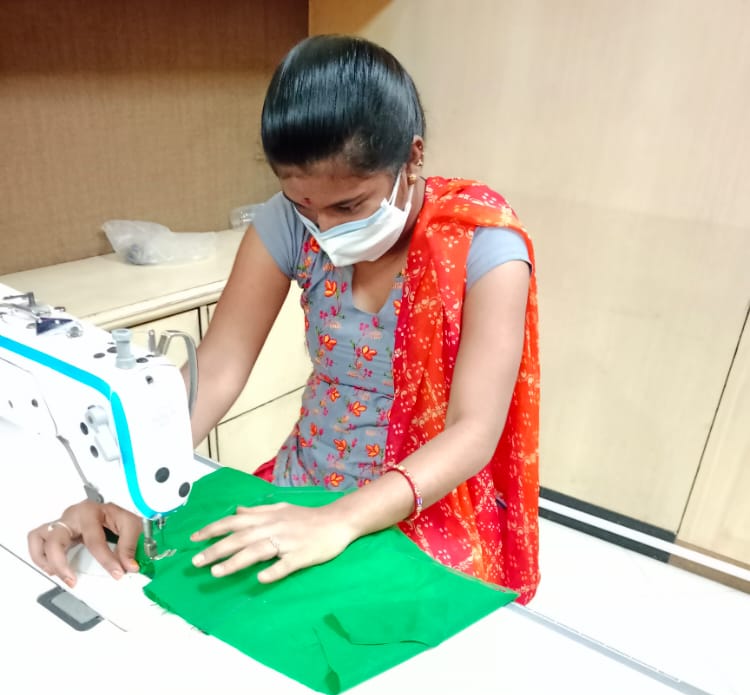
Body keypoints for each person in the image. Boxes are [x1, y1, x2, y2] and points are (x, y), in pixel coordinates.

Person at [27, 35, 540, 603]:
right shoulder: (288, 224)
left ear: (412, 158)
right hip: (306, 482)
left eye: (349, 205)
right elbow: (219, 367)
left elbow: (474, 430)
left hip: (425, 503)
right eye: (303, 204)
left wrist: (341, 520)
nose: (325, 228)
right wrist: (118, 488)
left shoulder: (482, 243)